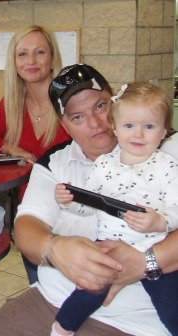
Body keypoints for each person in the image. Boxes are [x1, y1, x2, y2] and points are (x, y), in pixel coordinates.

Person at [0, 64, 178, 336]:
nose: (95, 123)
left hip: (135, 319)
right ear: (64, 125)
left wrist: (147, 262)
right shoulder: (55, 162)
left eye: (100, 106)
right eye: (77, 117)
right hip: (51, 302)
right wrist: (55, 249)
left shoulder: (167, 149)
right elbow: (27, 226)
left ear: (114, 101)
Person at [52, 82, 178, 336]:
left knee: (172, 306)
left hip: (153, 247)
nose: (138, 135)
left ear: (164, 131)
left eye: (149, 127)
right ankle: (61, 329)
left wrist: (159, 222)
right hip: (109, 245)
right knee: (89, 289)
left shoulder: (168, 167)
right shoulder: (104, 166)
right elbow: (90, 207)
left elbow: (176, 208)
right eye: (129, 126)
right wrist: (70, 201)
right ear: (115, 128)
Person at [0, 25, 70, 165]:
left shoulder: (71, 102)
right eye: (22, 54)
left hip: (63, 186)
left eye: (40, 52)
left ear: (52, 59)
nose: (31, 61)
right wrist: (12, 149)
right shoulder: (12, 103)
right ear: (14, 63)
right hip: (22, 186)